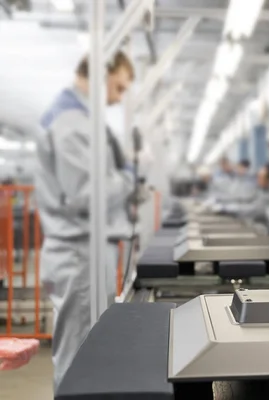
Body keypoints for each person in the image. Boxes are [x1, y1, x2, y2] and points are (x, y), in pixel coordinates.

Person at [34, 51, 138, 389]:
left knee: (88, 355)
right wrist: (126, 179)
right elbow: (86, 195)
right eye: (118, 87)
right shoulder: (71, 123)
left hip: (87, 251)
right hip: (79, 253)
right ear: (101, 73)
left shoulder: (82, 119)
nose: (117, 98)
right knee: (78, 358)